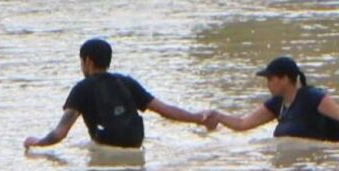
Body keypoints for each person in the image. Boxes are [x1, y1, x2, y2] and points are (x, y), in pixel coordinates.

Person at [23, 38, 210, 150]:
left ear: (87, 61)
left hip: (107, 144)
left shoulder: (82, 88)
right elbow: (166, 110)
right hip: (135, 141)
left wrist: (37, 142)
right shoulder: (126, 82)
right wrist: (198, 118)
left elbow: (60, 133)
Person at [204, 56, 339, 143]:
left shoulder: (312, 97)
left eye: (271, 79)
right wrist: (218, 116)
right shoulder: (277, 103)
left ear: (285, 79)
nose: (267, 84)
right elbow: (242, 124)